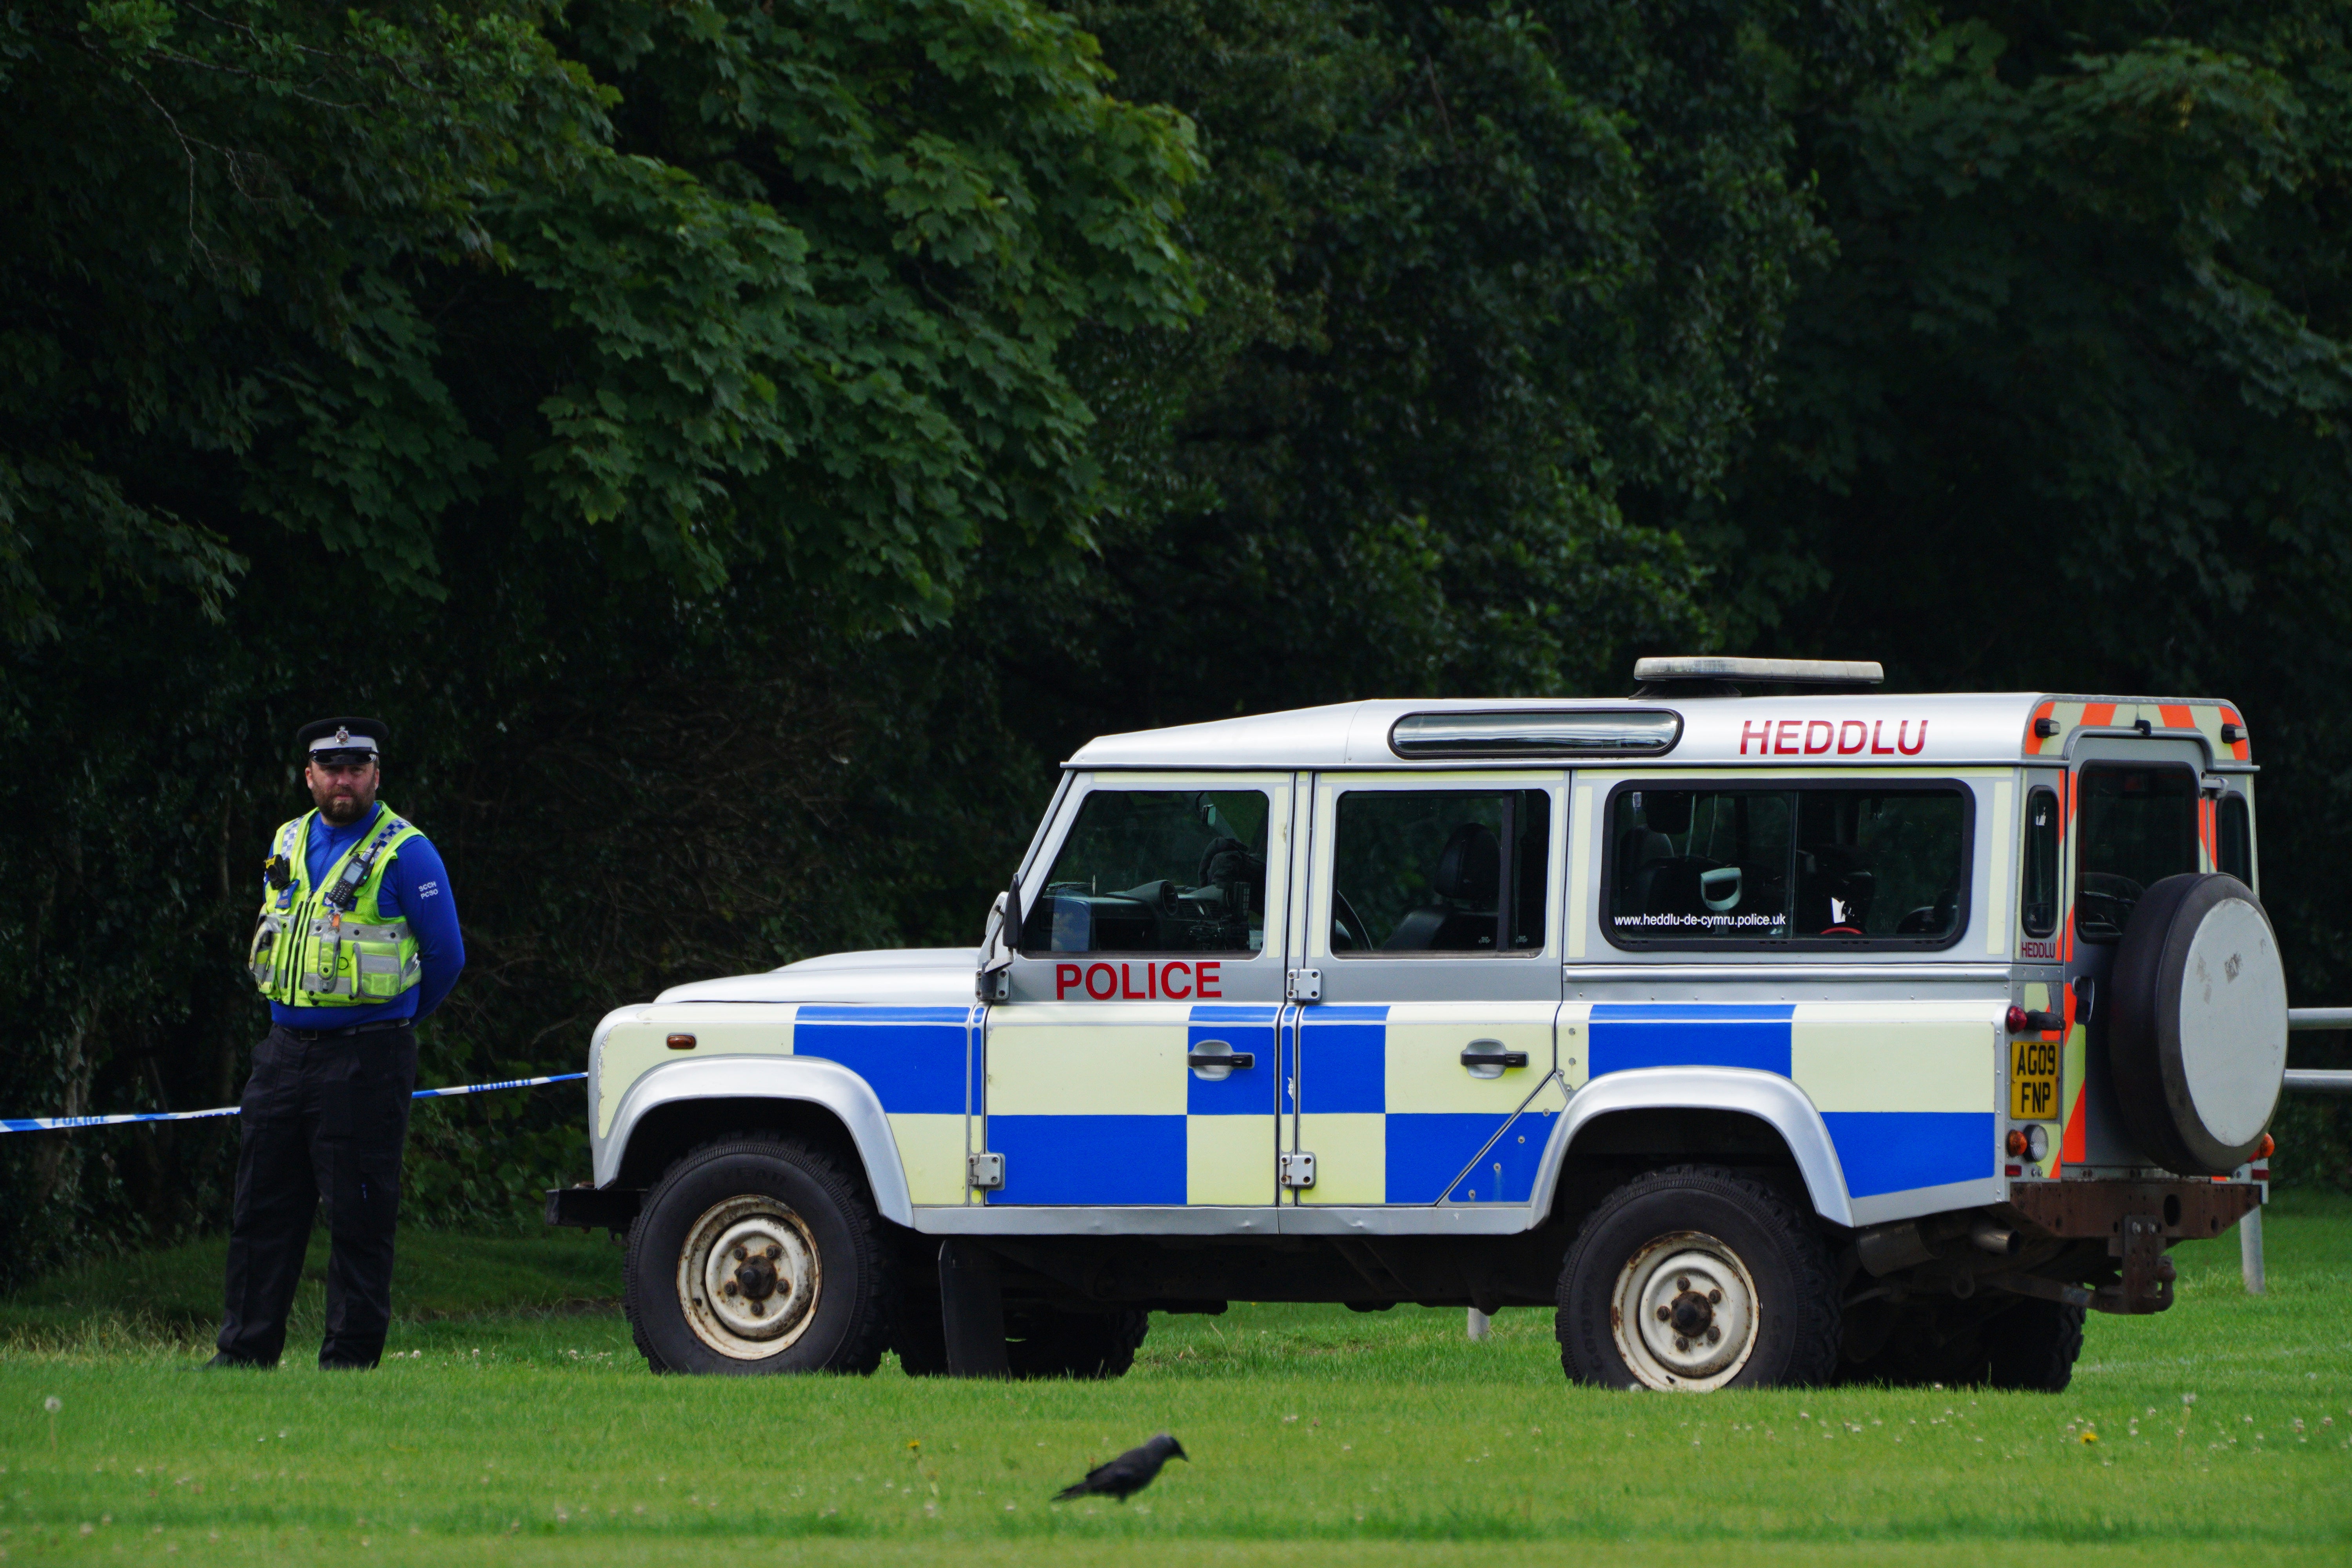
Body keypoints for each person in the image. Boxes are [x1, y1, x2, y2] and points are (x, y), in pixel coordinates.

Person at [211, 718, 465, 1369]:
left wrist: (397, 1023)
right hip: (283, 1051)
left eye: (356, 767)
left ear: (377, 775)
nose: (343, 779)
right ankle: (244, 1354)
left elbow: (445, 958)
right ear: (309, 775)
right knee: (260, 1209)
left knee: (359, 1213)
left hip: (367, 1055)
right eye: (331, 767)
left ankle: (349, 1363)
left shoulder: (407, 852)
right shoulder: (287, 840)